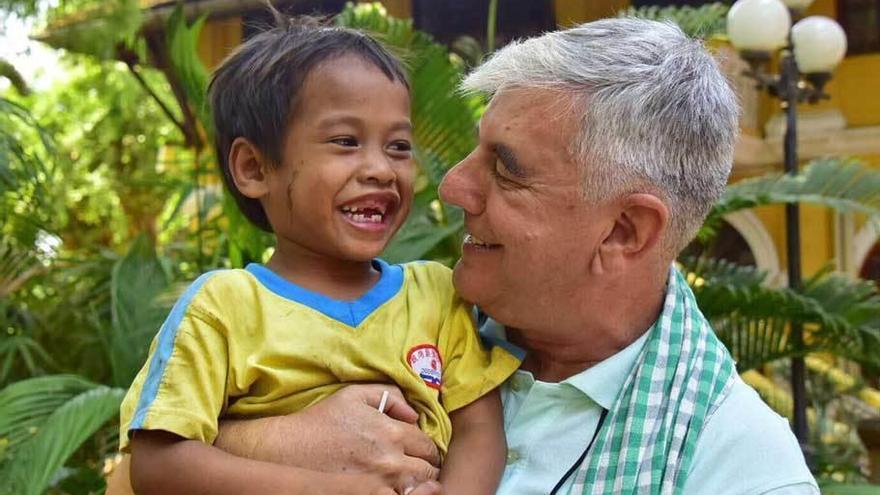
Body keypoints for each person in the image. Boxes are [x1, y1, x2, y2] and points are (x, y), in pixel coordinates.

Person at [107, 17, 820, 495]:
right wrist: (276, 442)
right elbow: (134, 472)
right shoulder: (428, 313)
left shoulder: (737, 465)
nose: (448, 187)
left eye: (505, 168)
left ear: (625, 230)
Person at [116, 12, 520, 495]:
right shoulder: (222, 310)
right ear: (254, 168)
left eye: (398, 146)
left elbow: (479, 430)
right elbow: (158, 464)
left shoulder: (434, 294)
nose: (380, 169)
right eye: (345, 141)